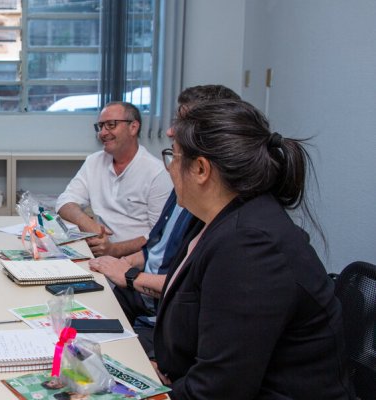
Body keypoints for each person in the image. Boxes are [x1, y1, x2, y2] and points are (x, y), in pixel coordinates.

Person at [153, 99, 353, 398]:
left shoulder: (249, 245)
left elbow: (219, 390)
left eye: (174, 156)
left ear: (200, 168)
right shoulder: (218, 219)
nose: (170, 169)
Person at [88, 85, 241, 356]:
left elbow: (187, 288)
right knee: (70, 326)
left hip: (160, 316)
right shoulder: (182, 187)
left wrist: (129, 275)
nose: (170, 131)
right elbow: (153, 247)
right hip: (140, 297)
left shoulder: (226, 223)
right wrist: (117, 263)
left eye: (182, 123)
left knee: (88, 358)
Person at [56, 101, 172, 257]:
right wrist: (90, 225)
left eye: (111, 125)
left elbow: (159, 234)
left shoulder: (158, 173)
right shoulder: (94, 162)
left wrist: (114, 250)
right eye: (101, 126)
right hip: (97, 254)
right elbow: (64, 202)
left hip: (135, 262)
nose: (103, 133)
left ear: (133, 127)